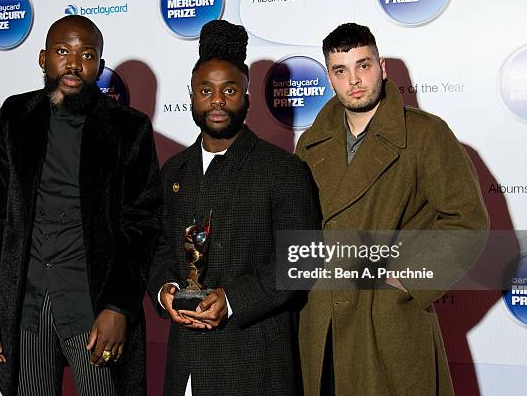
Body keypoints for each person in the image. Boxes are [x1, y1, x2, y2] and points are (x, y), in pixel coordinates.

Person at [296, 23, 490, 395]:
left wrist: (409, 277)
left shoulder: (425, 134)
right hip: (322, 323)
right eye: (341, 70)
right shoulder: (310, 142)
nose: (354, 80)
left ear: (382, 67)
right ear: (329, 79)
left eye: (363, 65)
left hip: (386, 321)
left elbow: (467, 221)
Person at [0, 15, 160, 396]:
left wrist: (118, 308)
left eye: (87, 55)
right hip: (27, 307)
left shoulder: (129, 129)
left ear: (100, 67)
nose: (73, 65)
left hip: (93, 309)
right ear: (43, 59)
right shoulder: (14, 117)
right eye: (62, 52)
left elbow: (141, 227)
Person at [147, 20, 320, 396]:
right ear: (191, 97)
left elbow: (302, 260)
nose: (217, 101)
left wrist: (232, 300)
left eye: (229, 90)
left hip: (254, 362)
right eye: (206, 90)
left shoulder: (283, 169)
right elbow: (158, 247)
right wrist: (166, 290)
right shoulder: (174, 171)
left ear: (247, 97)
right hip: (185, 366)